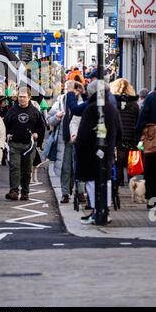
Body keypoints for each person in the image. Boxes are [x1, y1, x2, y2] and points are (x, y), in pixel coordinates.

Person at [75, 80, 122, 224]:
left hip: (89, 151)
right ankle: (105, 211)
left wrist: (79, 146)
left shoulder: (91, 108)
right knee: (106, 180)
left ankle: (96, 211)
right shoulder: (112, 109)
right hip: (107, 151)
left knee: (91, 181)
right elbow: (119, 131)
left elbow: (83, 134)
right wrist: (112, 145)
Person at [4, 87, 45, 201]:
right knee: (15, 168)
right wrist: (7, 134)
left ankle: (25, 192)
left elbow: (41, 126)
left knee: (27, 170)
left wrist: (37, 133)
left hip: (29, 146)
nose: (22, 99)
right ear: (17, 97)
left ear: (29, 97)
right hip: (14, 145)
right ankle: (14, 191)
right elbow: (5, 125)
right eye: (20, 97)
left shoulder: (34, 111)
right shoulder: (12, 110)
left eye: (24, 97)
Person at [48, 81, 76, 204]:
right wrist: (57, 117)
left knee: (76, 169)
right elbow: (49, 120)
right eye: (65, 88)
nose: (66, 90)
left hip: (78, 141)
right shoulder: (59, 102)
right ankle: (65, 193)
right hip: (64, 141)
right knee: (65, 168)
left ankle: (78, 192)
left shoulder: (80, 102)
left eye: (69, 88)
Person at [110, 78, 139, 187]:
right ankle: (134, 188)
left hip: (118, 139)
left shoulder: (113, 103)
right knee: (132, 166)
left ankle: (117, 186)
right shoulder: (134, 105)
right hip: (131, 139)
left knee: (118, 165)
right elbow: (137, 121)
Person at [136, 88, 156, 208]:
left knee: (151, 170)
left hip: (152, 139)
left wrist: (139, 135)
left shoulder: (151, 97)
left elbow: (142, 117)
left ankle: (152, 200)